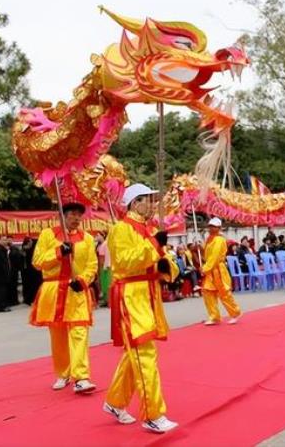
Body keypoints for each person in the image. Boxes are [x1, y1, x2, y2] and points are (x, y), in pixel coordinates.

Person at [103, 184, 179, 434]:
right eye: (148, 199)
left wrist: (168, 267)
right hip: (131, 296)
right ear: (135, 203)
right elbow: (125, 262)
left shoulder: (149, 230)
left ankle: (115, 402)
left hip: (148, 296)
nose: (152, 204)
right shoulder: (120, 229)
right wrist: (154, 247)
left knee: (134, 353)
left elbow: (163, 260)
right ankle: (153, 414)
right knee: (144, 354)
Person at [30, 202, 98, 393]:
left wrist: (83, 280)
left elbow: (92, 265)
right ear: (63, 215)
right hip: (54, 289)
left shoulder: (87, 239)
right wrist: (58, 253)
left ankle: (81, 377)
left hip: (76, 289)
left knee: (79, 331)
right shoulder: (48, 235)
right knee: (58, 335)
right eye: (72, 214)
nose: (76, 218)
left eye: (79, 215)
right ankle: (63, 373)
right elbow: (37, 262)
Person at [201, 217, 242, 325]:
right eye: (210, 226)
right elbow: (207, 255)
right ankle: (214, 316)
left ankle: (235, 313)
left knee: (223, 292)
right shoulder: (210, 239)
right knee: (207, 292)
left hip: (217, 269)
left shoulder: (219, 240)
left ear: (219, 228)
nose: (211, 228)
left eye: (213, 226)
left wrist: (205, 268)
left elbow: (214, 256)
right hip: (210, 269)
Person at [21, 237, 43, 305]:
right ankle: (29, 299)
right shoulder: (24, 250)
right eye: (29, 243)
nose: (30, 244)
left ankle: (35, 298)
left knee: (36, 285)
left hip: (35, 270)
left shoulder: (35, 247)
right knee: (30, 286)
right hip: (28, 271)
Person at [95, 231, 111, 307]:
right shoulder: (99, 245)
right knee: (103, 283)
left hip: (105, 265)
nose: (96, 237)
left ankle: (108, 301)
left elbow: (107, 255)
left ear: (102, 236)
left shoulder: (106, 243)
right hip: (101, 265)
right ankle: (105, 300)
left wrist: (106, 264)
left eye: (98, 235)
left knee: (107, 283)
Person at [7, 236, 23, 306]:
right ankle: (10, 300)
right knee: (10, 286)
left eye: (11, 240)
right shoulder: (6, 249)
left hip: (14, 270)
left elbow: (18, 258)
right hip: (8, 270)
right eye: (8, 240)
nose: (10, 241)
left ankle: (14, 300)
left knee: (14, 285)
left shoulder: (14, 248)